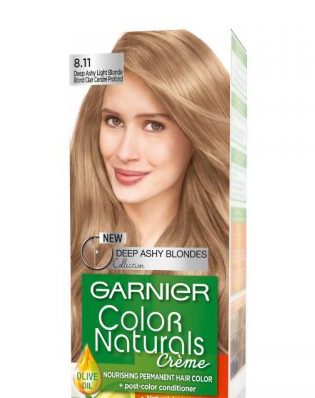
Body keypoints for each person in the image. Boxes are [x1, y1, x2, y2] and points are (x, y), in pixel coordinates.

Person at [71, 30, 230, 361]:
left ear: (196, 133)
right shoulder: (73, 244)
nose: (124, 152)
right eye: (114, 121)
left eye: (154, 125)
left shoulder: (227, 267)